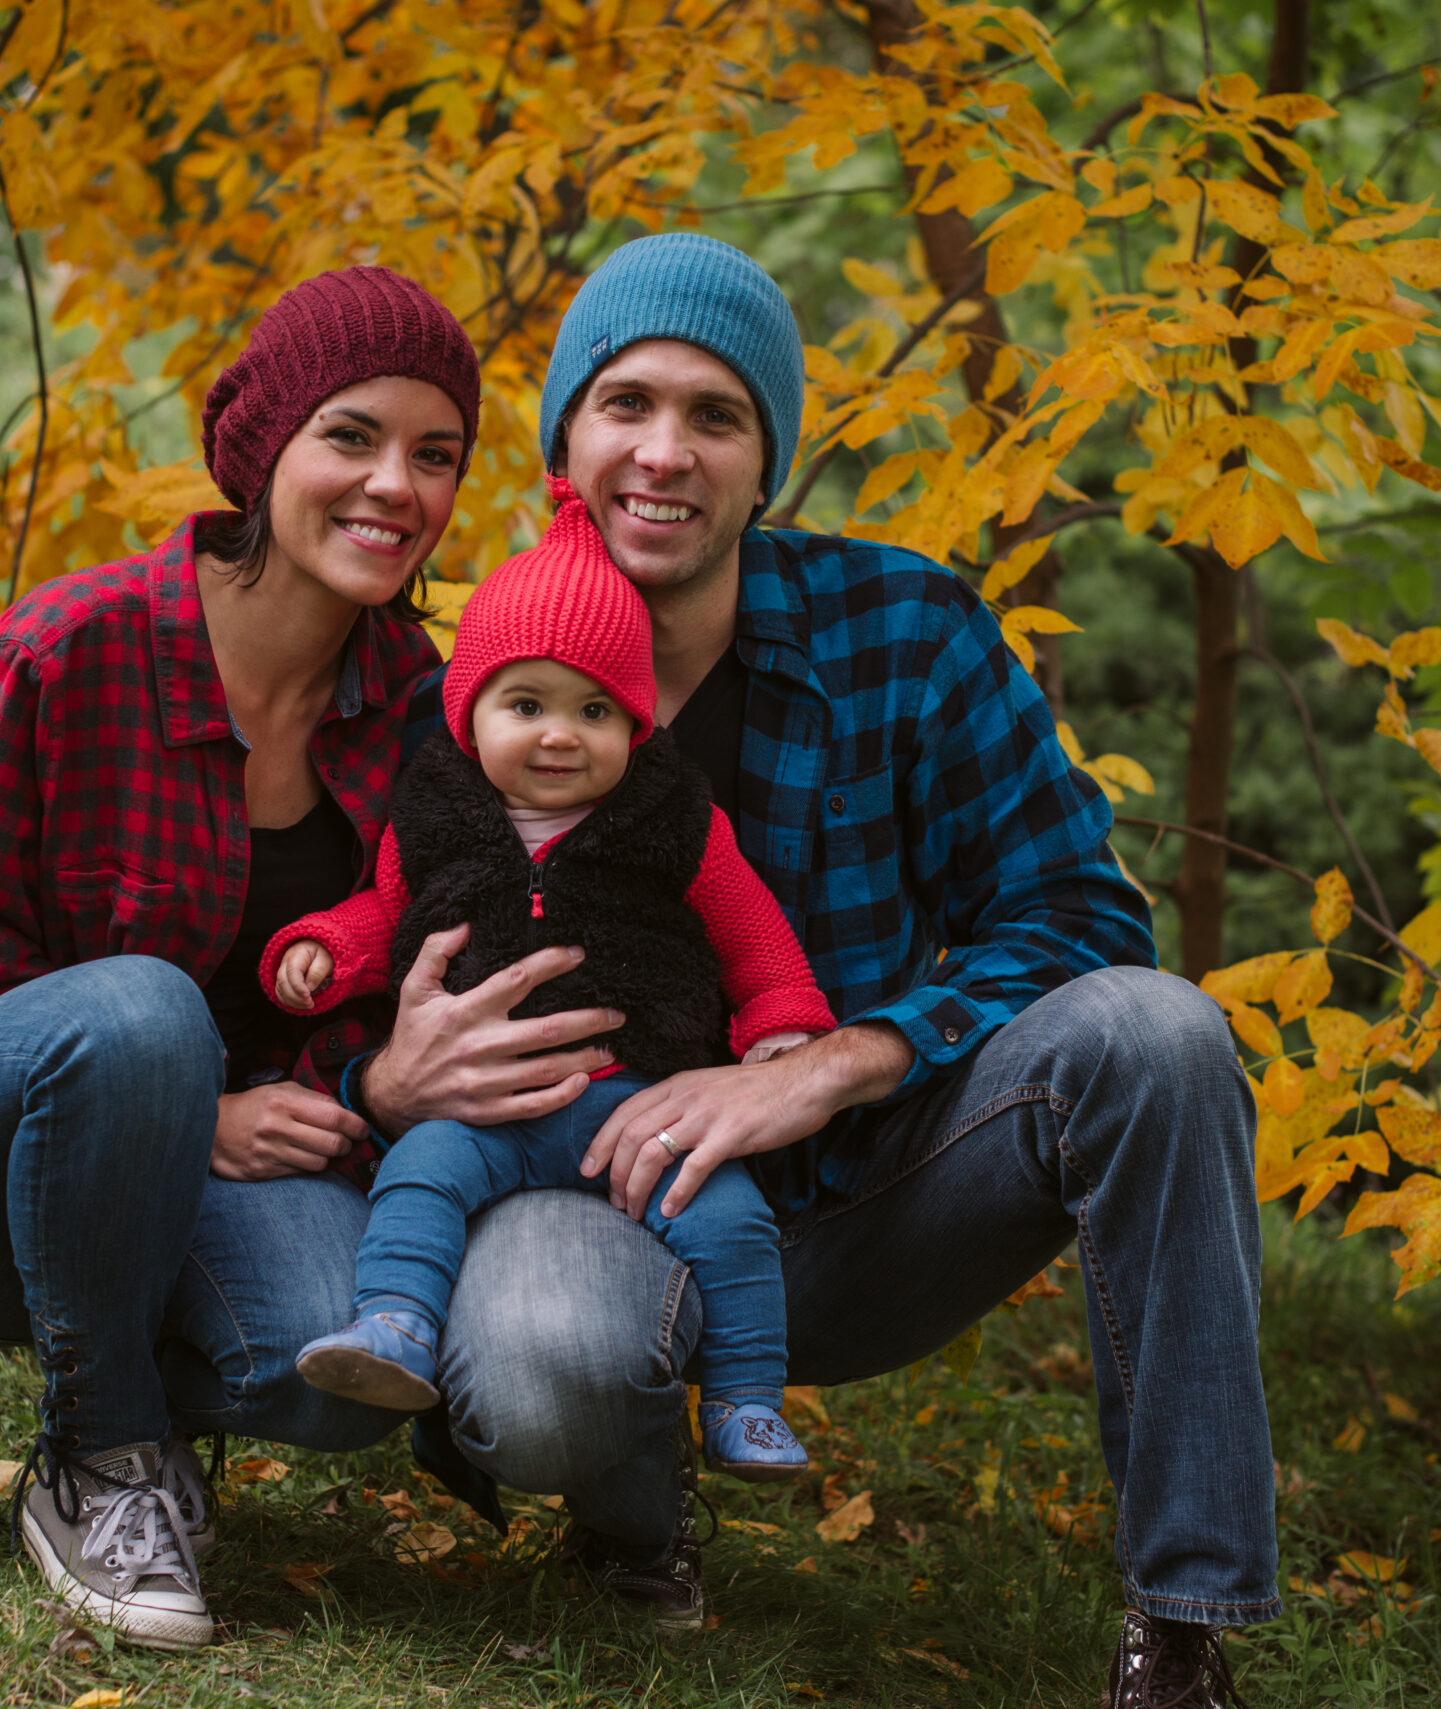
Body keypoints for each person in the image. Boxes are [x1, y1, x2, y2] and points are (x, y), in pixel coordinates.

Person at [332, 234, 1275, 1706]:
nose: (666, 451)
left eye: (719, 416)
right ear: (562, 447)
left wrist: (845, 1057)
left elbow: (1084, 916)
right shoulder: (472, 679)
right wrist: (387, 1077)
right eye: (627, 403)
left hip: (866, 1199)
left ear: (768, 462)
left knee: (1159, 1035)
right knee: (535, 1375)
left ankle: (1186, 1630)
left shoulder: (910, 631)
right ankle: (634, 1505)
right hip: (593, 1184)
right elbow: (337, 954)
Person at [0, 267, 485, 1652]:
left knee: (345, 1371)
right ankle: (98, 1453)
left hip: (206, 1186)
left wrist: (363, 1087)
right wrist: (189, 1102)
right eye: (351, 436)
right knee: (142, 1014)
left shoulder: (425, 712)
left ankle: (139, 1392)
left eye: (436, 454)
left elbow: (380, 992)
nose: (394, 486)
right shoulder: (71, 647)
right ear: (266, 450)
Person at [262, 477, 836, 1479]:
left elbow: (754, 938)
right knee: (416, 1177)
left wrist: (782, 1025)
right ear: (469, 713)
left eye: (594, 709)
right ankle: (394, 1325)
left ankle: (745, 1397)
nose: (559, 734)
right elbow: (386, 910)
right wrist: (323, 947)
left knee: (728, 1213)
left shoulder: (673, 822)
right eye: (524, 704)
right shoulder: (437, 814)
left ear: (636, 724)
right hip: (481, 1110)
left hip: (631, 1100)